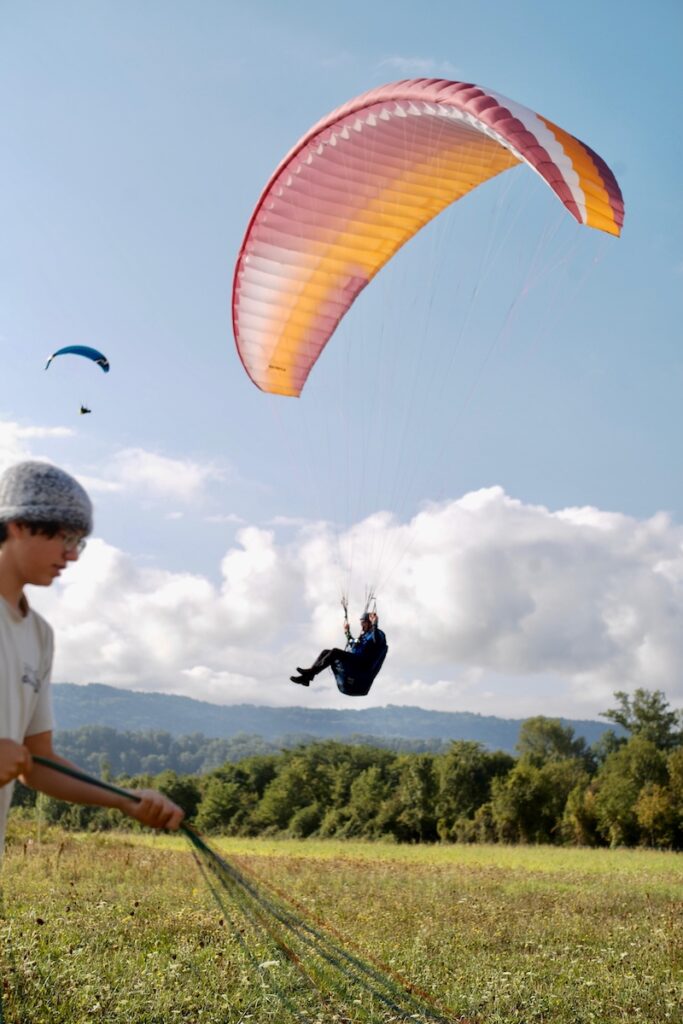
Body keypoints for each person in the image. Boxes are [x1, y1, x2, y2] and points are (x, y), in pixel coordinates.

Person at [0, 460, 184, 857]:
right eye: (65, 537)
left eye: (78, 542)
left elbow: (38, 761)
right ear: (19, 524)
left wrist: (123, 798)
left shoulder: (39, 635)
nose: (73, 555)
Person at [290, 610, 387, 697]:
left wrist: (375, 624)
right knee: (326, 652)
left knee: (335, 652)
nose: (362, 625)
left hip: (362, 664)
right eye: (361, 623)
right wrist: (347, 632)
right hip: (354, 660)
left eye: (364, 623)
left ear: (370, 623)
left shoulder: (378, 634)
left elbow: (377, 640)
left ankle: (309, 674)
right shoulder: (364, 636)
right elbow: (353, 642)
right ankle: (307, 678)